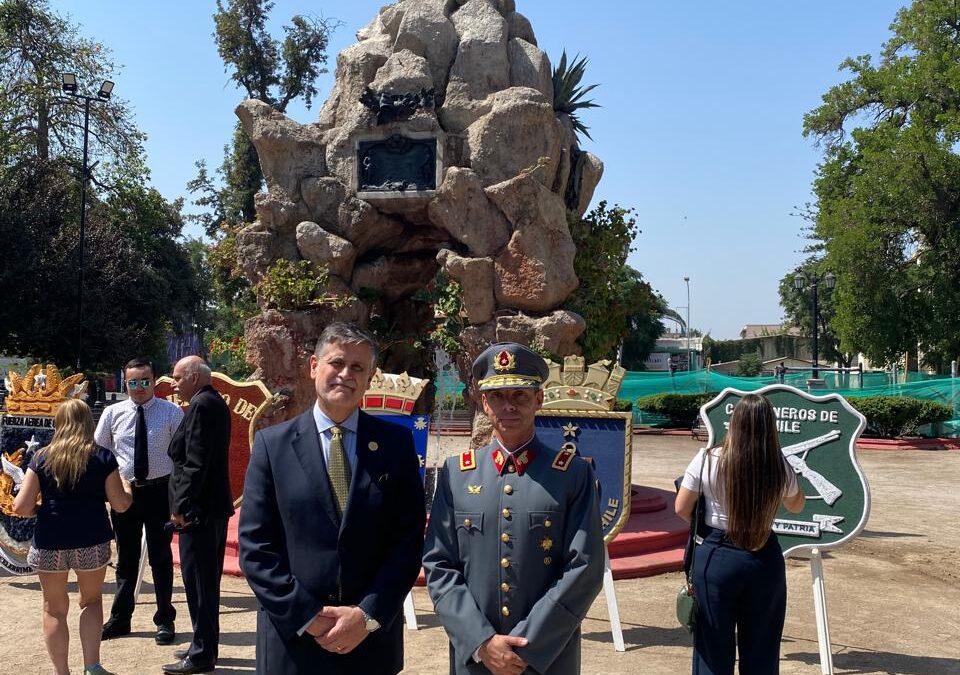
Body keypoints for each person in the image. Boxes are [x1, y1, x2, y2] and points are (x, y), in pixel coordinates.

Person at [239, 322, 426, 675]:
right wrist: (306, 615)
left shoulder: (395, 446)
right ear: (313, 367)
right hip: (293, 642)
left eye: (357, 368)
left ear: (370, 378)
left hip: (369, 643)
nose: (345, 374)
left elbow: (407, 543)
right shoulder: (271, 446)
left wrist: (367, 614)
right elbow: (256, 547)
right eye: (336, 363)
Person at [423, 342, 605, 675]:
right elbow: (439, 563)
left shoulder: (573, 474)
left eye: (520, 395)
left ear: (539, 399)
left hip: (546, 659)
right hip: (477, 659)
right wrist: (481, 641)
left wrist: (529, 644)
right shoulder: (456, 474)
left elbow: (586, 567)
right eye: (497, 396)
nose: (508, 406)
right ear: (483, 403)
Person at [675, 393, 806, 675]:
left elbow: (682, 508)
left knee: (712, 650)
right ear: (770, 426)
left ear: (734, 423)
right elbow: (797, 505)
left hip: (717, 555)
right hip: (763, 556)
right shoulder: (779, 465)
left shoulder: (706, 459)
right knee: (762, 648)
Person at [14, 399, 133, 675]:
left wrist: (41, 510)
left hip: (50, 540)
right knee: (90, 601)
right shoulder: (102, 457)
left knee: (54, 608)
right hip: (91, 538)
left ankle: (61, 672)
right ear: (89, 423)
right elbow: (120, 504)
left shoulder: (41, 457)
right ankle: (92, 665)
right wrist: (128, 488)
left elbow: (21, 506)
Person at [95, 357, 183, 644]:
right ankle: (120, 619)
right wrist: (109, 491)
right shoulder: (112, 413)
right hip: (125, 493)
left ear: (154, 381)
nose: (139, 387)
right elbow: (101, 454)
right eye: (133, 382)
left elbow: (181, 458)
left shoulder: (172, 413)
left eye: (145, 381)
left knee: (161, 558)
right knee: (126, 559)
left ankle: (165, 620)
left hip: (161, 492)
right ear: (125, 383)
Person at [162, 356, 234, 675]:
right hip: (208, 508)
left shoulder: (204, 405)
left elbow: (195, 463)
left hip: (199, 511)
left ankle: (203, 653)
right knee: (203, 581)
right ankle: (202, 645)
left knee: (200, 583)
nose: (174, 383)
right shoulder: (209, 402)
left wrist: (180, 507)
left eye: (177, 377)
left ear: (193, 376)